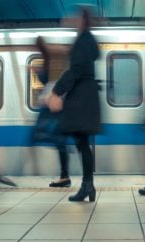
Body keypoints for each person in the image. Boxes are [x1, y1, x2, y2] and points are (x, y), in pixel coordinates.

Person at [47, 7, 100, 202]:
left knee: (82, 143)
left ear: (82, 20)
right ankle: (88, 186)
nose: (71, 19)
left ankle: (88, 185)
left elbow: (76, 69)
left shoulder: (84, 40)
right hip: (84, 97)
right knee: (82, 143)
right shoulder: (86, 39)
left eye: (75, 17)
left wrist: (56, 91)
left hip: (81, 98)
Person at [35, 36, 71, 188]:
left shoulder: (56, 66)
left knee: (59, 141)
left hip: (55, 108)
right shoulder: (55, 67)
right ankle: (64, 176)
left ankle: (65, 176)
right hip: (55, 108)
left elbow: (52, 87)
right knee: (59, 141)